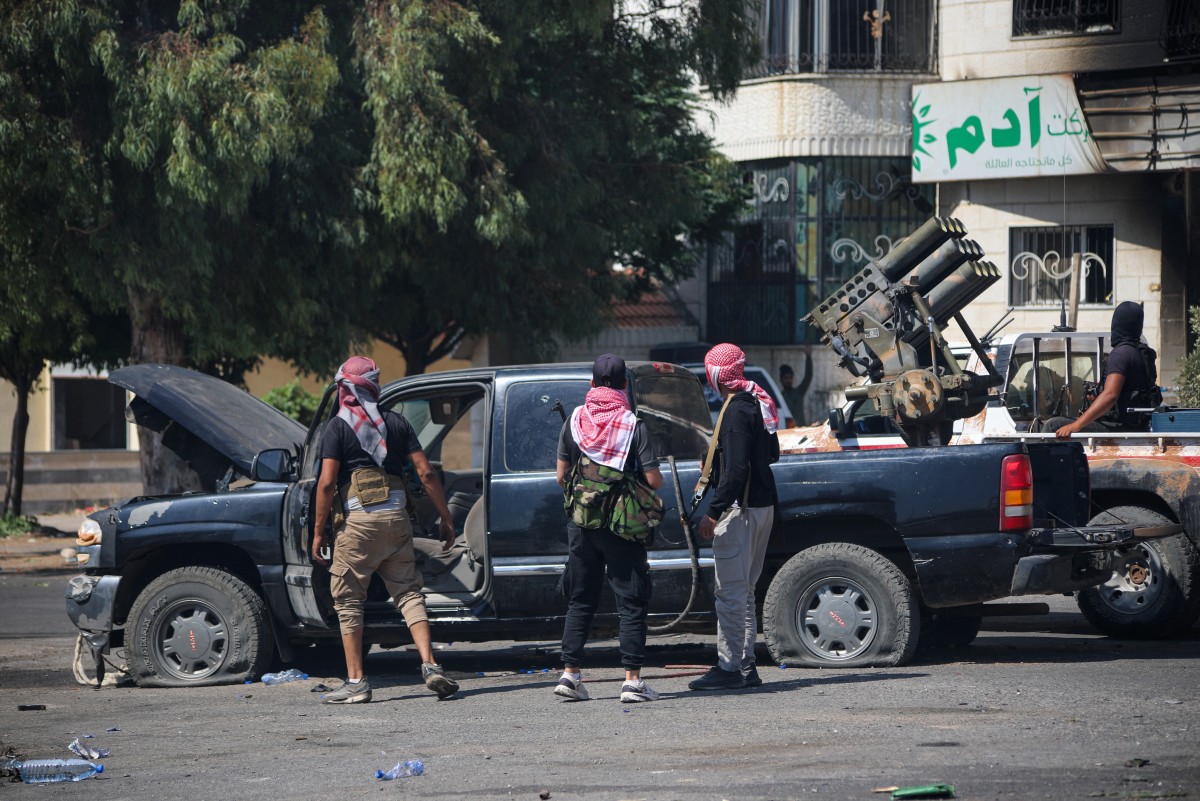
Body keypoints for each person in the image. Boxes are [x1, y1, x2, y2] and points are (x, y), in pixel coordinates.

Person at [311, 356, 460, 704]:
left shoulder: (337, 427)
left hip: (358, 524)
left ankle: (356, 682)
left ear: (344, 388)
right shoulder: (396, 422)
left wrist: (318, 532)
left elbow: (327, 483)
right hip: (397, 519)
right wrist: (446, 518)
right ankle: (431, 665)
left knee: (349, 600)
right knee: (408, 593)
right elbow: (425, 473)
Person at [554, 353, 664, 703]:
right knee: (630, 601)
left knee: (580, 598)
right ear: (624, 385)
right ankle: (632, 681)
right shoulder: (632, 425)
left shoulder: (574, 421)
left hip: (582, 524)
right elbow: (653, 480)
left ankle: (570, 675)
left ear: (591, 383)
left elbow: (561, 477)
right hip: (622, 527)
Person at [689, 343, 780, 691]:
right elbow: (771, 453)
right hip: (762, 508)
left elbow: (737, 469)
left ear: (715, 375)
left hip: (740, 512)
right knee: (745, 592)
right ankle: (746, 666)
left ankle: (729, 669)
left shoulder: (736, 411)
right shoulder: (755, 402)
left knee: (730, 594)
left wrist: (714, 512)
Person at [1056, 301, 1159, 437]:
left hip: (1118, 427)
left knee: (1054, 424)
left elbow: (1110, 395)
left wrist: (1076, 425)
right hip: (1139, 425)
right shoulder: (1142, 353)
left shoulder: (1120, 354)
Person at [779, 352, 813, 425]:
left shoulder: (799, 392)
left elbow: (808, 377)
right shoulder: (780, 398)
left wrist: (808, 357)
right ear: (781, 380)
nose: (789, 380)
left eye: (790, 378)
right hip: (788, 430)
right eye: (786, 378)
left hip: (801, 429)